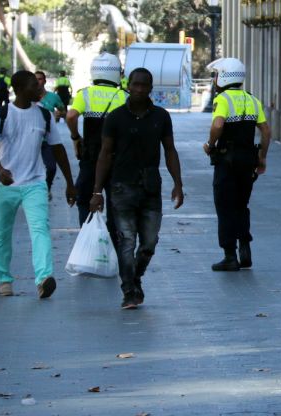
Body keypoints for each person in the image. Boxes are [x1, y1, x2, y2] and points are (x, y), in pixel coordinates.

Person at [89, 68, 184, 310]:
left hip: (151, 188)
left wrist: (178, 184)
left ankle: (135, 277)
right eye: (136, 85)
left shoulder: (161, 117)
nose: (140, 89)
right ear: (128, 86)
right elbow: (105, 154)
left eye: (145, 85)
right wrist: (97, 191)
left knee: (149, 243)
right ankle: (129, 290)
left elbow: (170, 150)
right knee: (127, 241)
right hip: (121, 188)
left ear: (151, 88)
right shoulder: (115, 118)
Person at [0, 70, 76, 299]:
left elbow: (58, 149)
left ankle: (44, 278)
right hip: (5, 185)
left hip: (35, 183)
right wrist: (0, 170)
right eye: (35, 86)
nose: (40, 89)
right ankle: (4, 280)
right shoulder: (0, 115)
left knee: (40, 230)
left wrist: (70, 183)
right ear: (21, 89)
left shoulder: (44, 115)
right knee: (1, 234)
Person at [203, 57, 271, 272]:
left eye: (216, 75)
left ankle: (230, 256)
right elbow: (266, 131)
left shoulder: (222, 99)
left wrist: (210, 143)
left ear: (223, 76)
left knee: (225, 207)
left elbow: (218, 123)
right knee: (241, 206)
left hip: (226, 161)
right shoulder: (252, 99)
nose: (215, 79)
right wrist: (261, 157)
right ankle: (245, 248)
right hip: (247, 161)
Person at [66, 52, 128, 241]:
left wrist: (76, 137)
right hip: (118, 159)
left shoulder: (85, 94)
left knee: (85, 197)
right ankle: (113, 240)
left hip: (91, 156)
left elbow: (71, 116)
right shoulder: (124, 96)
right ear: (118, 73)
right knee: (115, 202)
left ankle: (88, 236)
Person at [35, 71, 66, 196]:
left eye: (40, 79)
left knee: (51, 167)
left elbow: (63, 111)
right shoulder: (27, 98)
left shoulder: (53, 97)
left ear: (45, 81)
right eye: (35, 79)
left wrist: (59, 114)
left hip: (48, 138)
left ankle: (47, 187)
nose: (38, 82)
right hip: (32, 139)